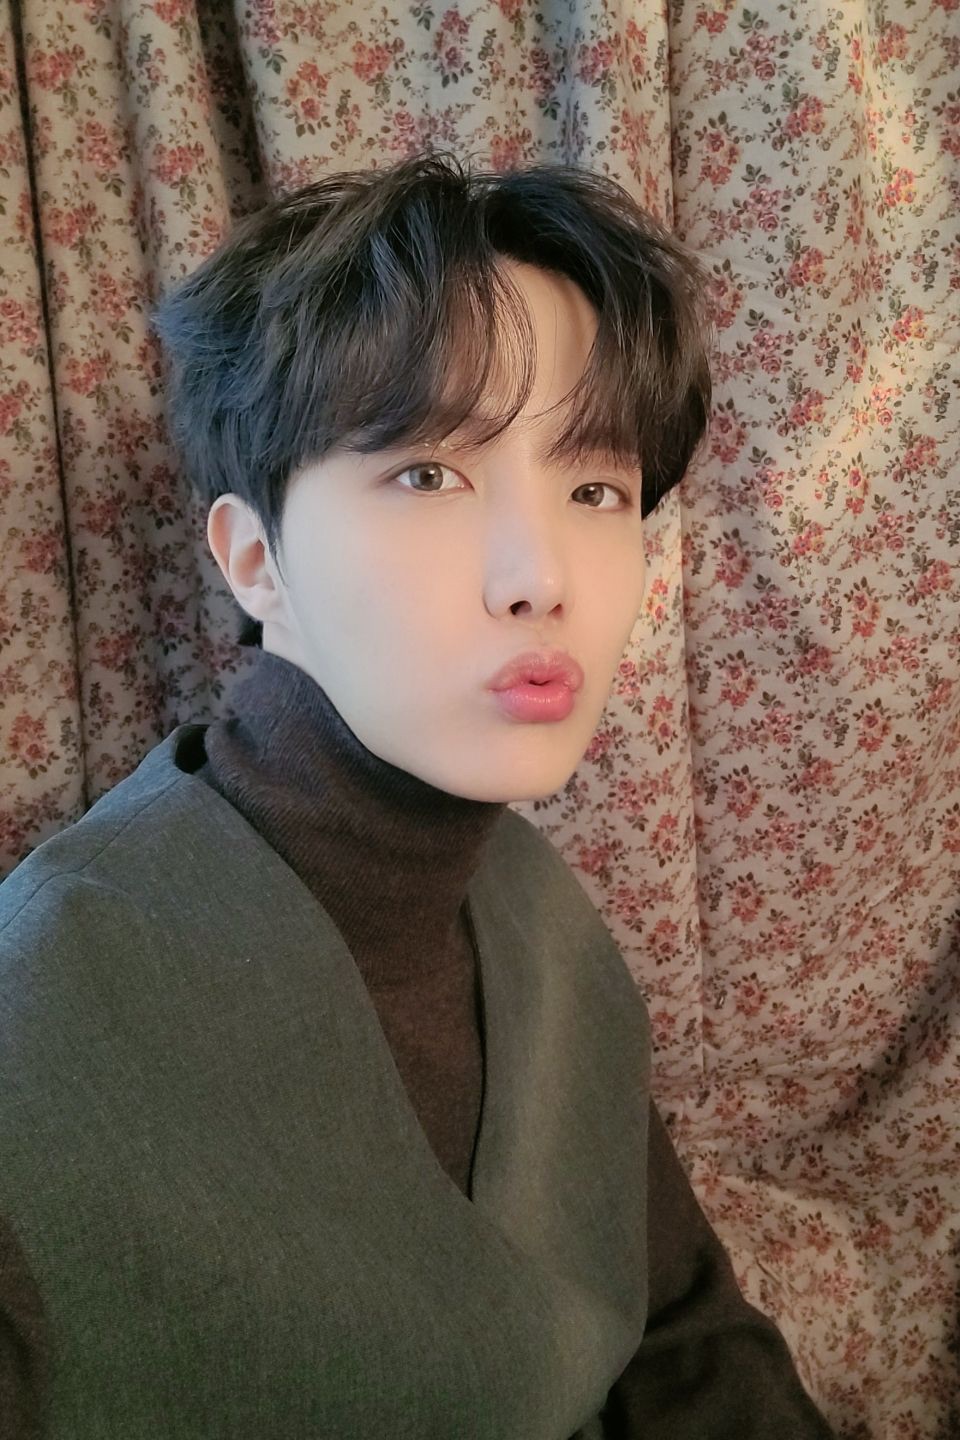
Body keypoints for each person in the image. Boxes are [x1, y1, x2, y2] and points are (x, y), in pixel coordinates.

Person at [0, 152, 835, 1438]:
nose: (539, 576)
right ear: (255, 559)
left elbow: (687, 1337)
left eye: (596, 488)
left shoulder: (537, 913)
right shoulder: (47, 1010)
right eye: (429, 474)